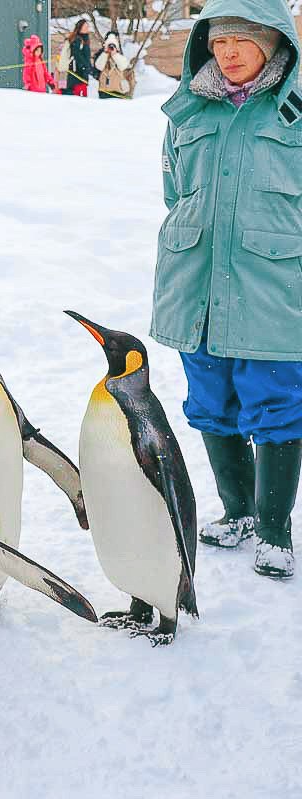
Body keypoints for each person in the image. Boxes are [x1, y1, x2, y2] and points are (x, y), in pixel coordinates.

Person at [154, 0, 302, 579]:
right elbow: (174, 194)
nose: (229, 53)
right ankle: (237, 512)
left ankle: (274, 529)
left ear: (273, 40)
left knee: (276, 405)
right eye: (218, 42)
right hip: (197, 284)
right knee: (212, 403)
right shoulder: (189, 111)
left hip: (275, 287)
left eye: (241, 39)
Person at [58, 19, 96, 97]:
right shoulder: (76, 40)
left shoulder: (85, 39)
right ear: (80, 27)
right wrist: (85, 67)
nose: (87, 28)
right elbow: (77, 56)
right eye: (85, 26)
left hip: (82, 75)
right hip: (77, 74)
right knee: (77, 96)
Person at [93, 31, 132, 98]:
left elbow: (123, 66)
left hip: (118, 90)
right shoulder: (102, 55)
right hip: (104, 90)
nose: (111, 48)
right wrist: (105, 53)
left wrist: (114, 55)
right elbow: (99, 66)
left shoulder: (120, 57)